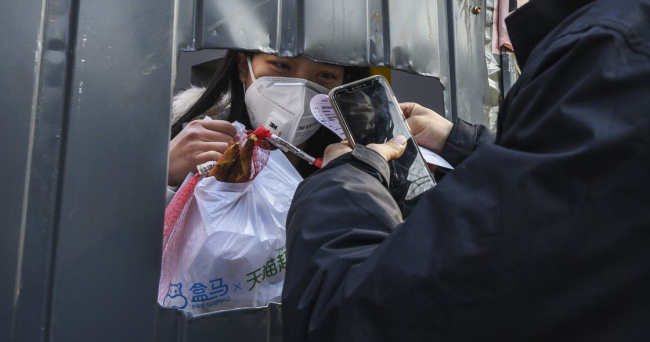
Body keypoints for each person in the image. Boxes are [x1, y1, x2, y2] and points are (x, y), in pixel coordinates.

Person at [281, 0, 650, 340]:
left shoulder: (610, 56)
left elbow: (357, 314)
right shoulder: (615, 47)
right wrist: (462, 143)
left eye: (325, 74)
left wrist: (347, 176)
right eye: (280, 66)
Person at [167, 51, 368, 195]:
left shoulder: (354, 164)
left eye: (325, 75)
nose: (298, 95)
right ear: (243, 67)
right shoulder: (188, 141)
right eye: (281, 65)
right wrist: (164, 179)